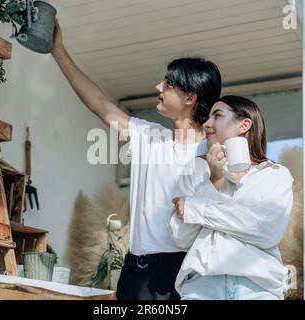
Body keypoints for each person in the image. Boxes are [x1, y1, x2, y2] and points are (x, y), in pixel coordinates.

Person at [50, 21, 222, 300]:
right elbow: (98, 102)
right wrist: (58, 50)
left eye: (168, 83)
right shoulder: (148, 136)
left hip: (179, 276)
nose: (159, 86)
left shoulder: (213, 154)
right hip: (134, 272)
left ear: (190, 97)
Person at [169, 96, 294, 300]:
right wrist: (214, 180)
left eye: (217, 115)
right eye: (208, 117)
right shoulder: (195, 170)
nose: (207, 124)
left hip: (258, 288)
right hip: (202, 287)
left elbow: (267, 230)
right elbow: (180, 237)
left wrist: (194, 209)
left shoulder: (276, 174)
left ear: (244, 124)